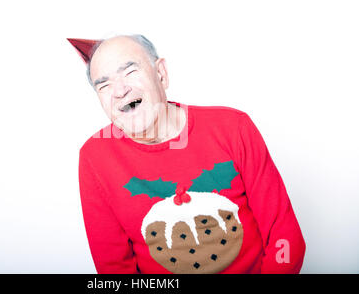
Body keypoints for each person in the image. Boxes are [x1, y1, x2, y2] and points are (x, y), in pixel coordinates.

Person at [69, 34, 306, 274]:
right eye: (104, 84)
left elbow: (284, 237)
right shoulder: (94, 158)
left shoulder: (234, 128)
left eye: (130, 72)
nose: (119, 90)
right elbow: (114, 268)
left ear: (161, 73)